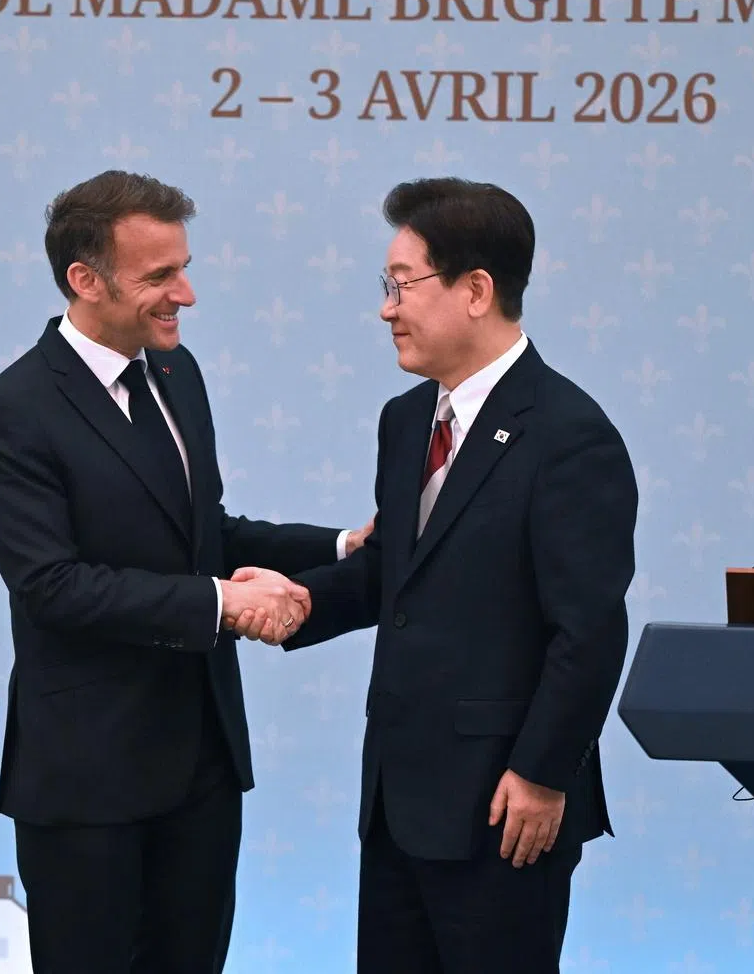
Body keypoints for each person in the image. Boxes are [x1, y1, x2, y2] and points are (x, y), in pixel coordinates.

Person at [0, 169, 370, 974]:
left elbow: (201, 532)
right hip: (90, 779)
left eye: (184, 268)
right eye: (159, 276)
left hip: (201, 764)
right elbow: (53, 586)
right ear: (85, 280)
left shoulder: (178, 376)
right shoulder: (11, 410)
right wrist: (225, 604)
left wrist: (340, 547)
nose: (185, 293)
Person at [234, 178, 638, 974]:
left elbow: (589, 630)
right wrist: (300, 599)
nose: (387, 308)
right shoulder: (408, 419)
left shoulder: (569, 436)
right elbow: (398, 572)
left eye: (402, 284)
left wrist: (541, 773)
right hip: (396, 798)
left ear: (477, 290)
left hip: (504, 806)